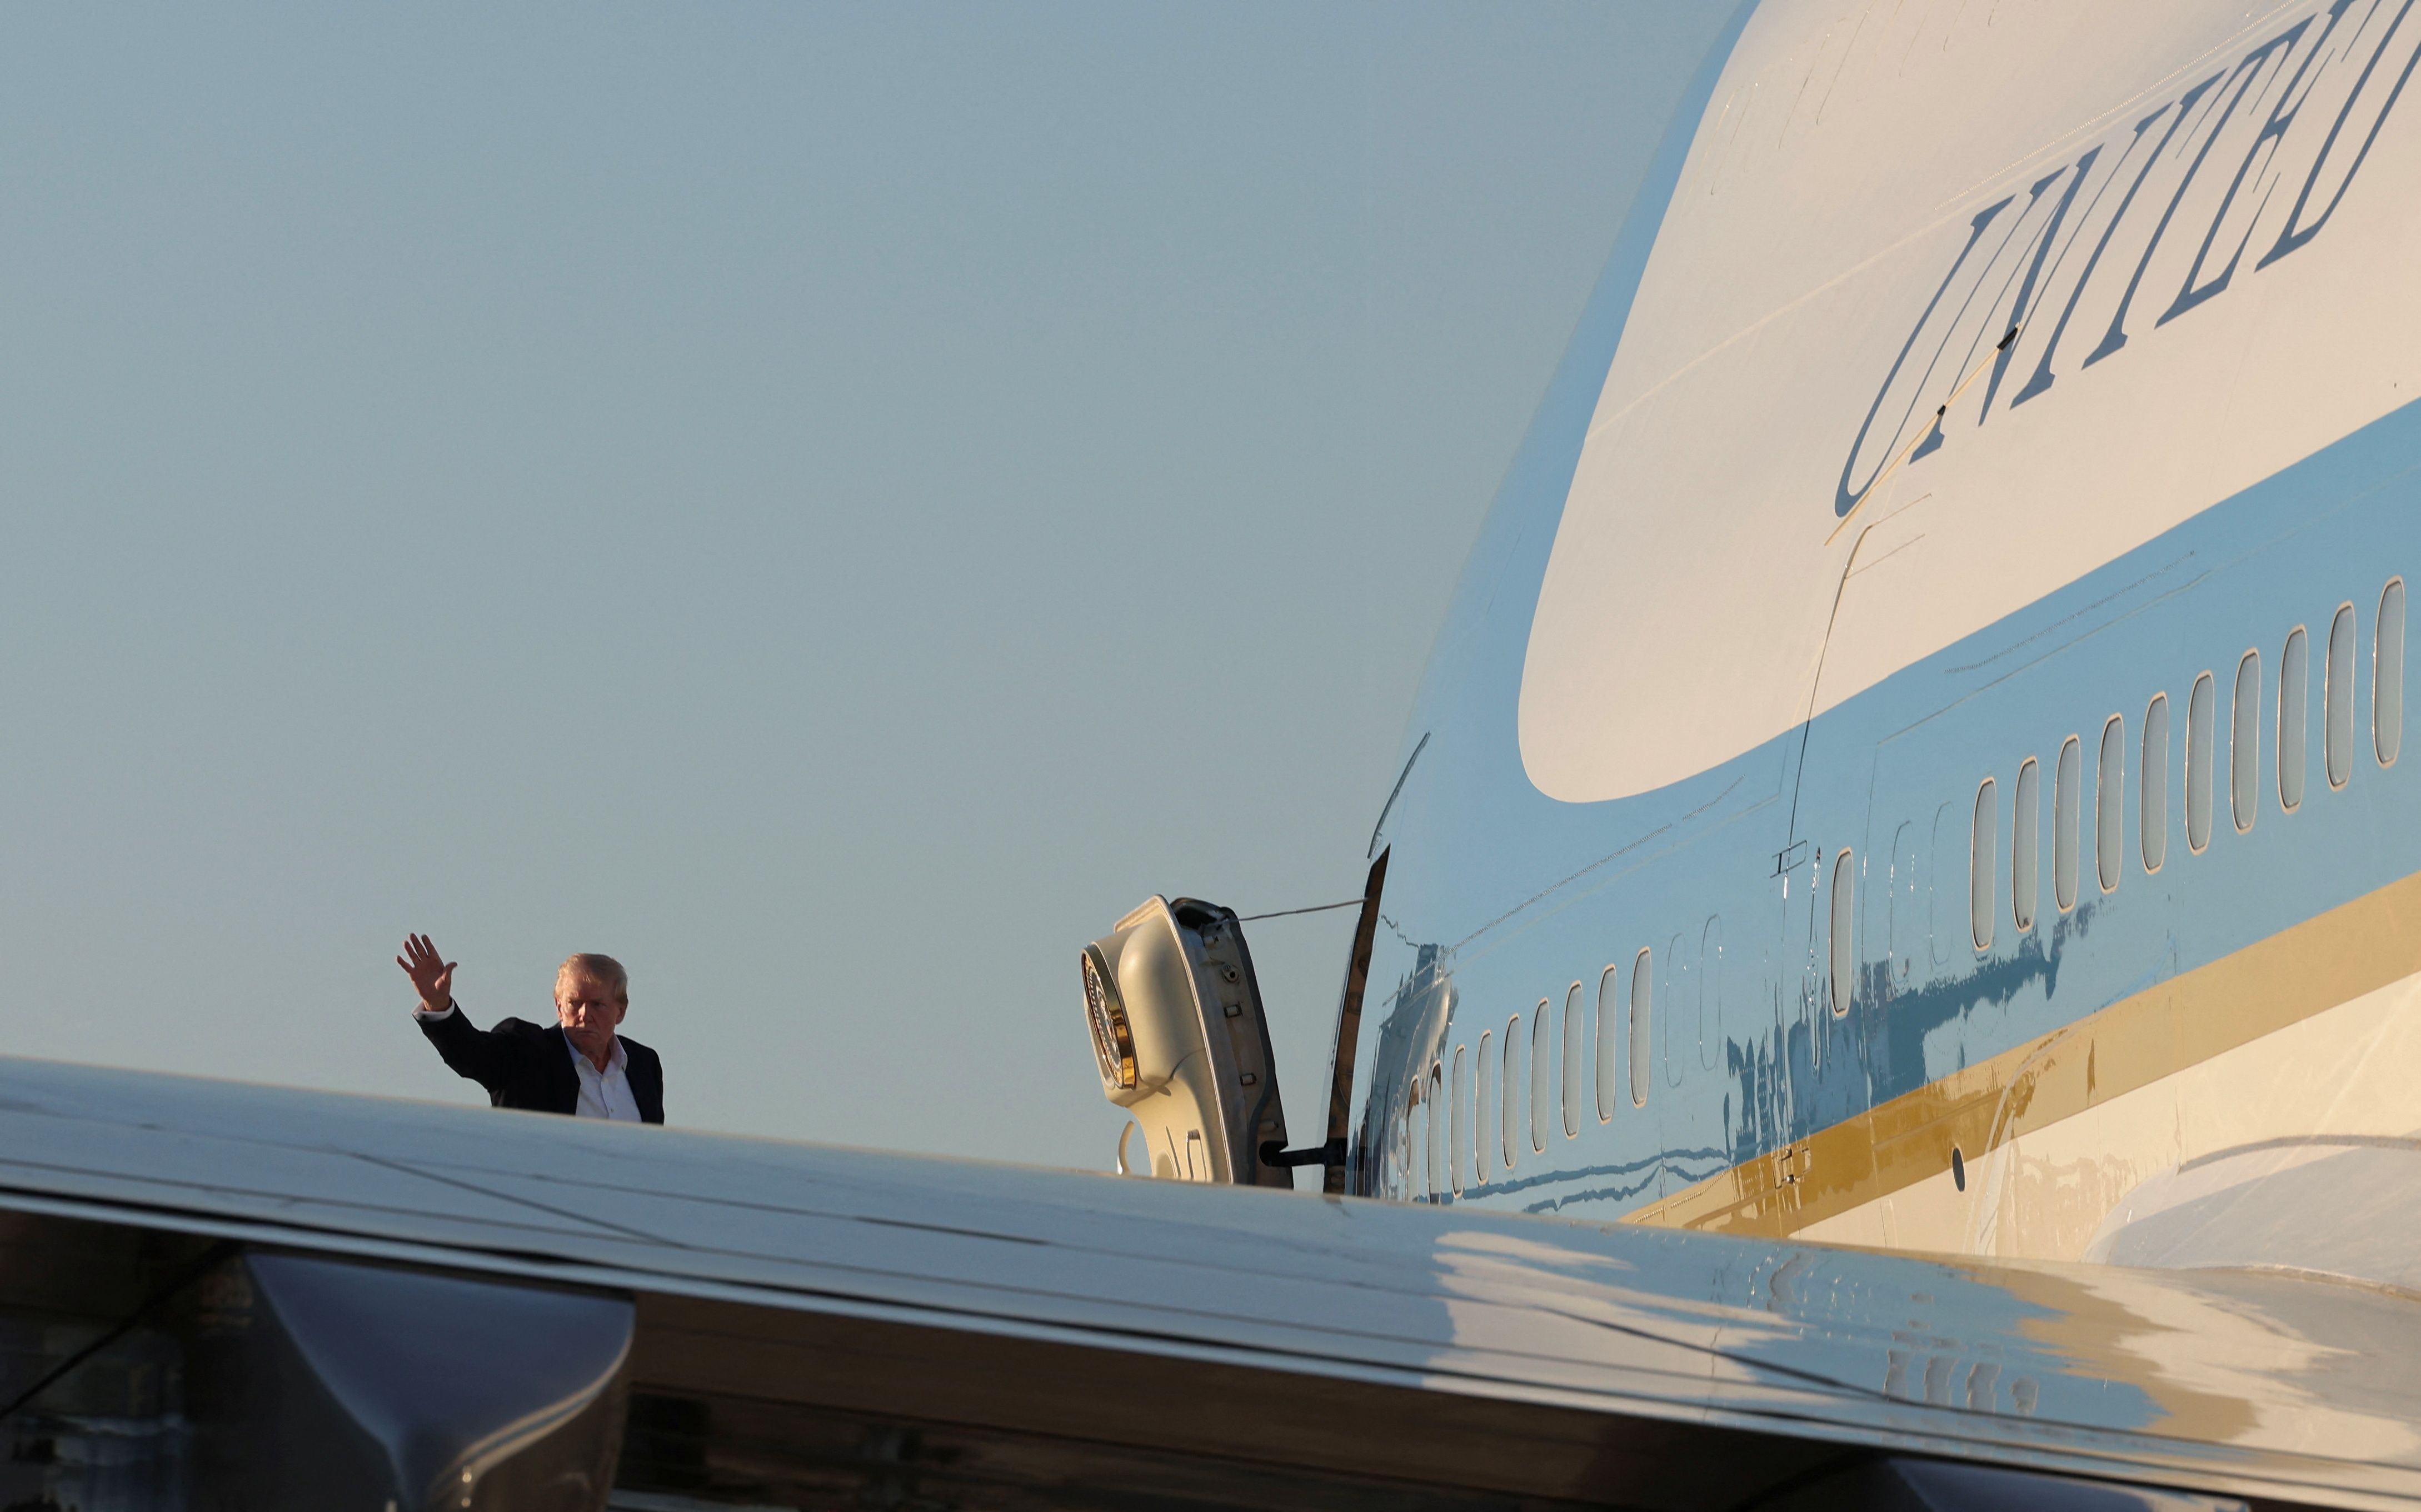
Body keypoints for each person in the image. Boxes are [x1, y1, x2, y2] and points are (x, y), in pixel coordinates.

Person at [398, 934, 664, 1124]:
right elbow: (472, 1055)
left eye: (598, 1005)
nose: (585, 1014)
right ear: (559, 1007)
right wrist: (438, 1004)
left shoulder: (643, 1064)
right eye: (574, 1003)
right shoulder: (526, 1050)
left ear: (621, 1011)